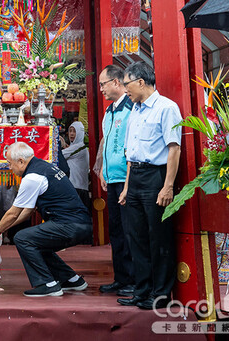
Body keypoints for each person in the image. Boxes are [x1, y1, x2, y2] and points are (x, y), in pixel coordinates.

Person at [0, 142, 92, 297]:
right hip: (80, 223)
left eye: (10, 164)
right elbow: (27, 212)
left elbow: (13, 213)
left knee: (23, 238)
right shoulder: (43, 167)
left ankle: (47, 284)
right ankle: (71, 279)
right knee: (35, 240)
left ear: (21, 161)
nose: (10, 168)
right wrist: (4, 227)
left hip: (69, 225)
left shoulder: (32, 177)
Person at [117, 61, 182, 310]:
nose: (126, 90)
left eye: (127, 84)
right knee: (137, 237)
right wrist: (126, 187)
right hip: (135, 177)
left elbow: (174, 148)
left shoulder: (166, 108)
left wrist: (168, 186)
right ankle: (141, 290)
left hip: (156, 176)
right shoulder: (135, 109)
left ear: (141, 82)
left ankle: (161, 294)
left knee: (159, 238)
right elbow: (131, 152)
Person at [97, 65, 135, 297]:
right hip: (111, 178)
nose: (101, 88)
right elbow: (105, 143)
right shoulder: (109, 111)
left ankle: (132, 279)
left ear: (117, 82)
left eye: (103, 84)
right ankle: (121, 278)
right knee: (116, 231)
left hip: (127, 178)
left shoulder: (131, 109)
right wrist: (101, 168)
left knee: (130, 231)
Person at [61, 121, 90, 211]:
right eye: (70, 131)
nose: (72, 134)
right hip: (78, 187)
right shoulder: (77, 147)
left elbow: (58, 155)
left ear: (80, 133)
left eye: (74, 131)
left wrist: (58, 143)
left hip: (77, 188)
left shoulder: (79, 147)